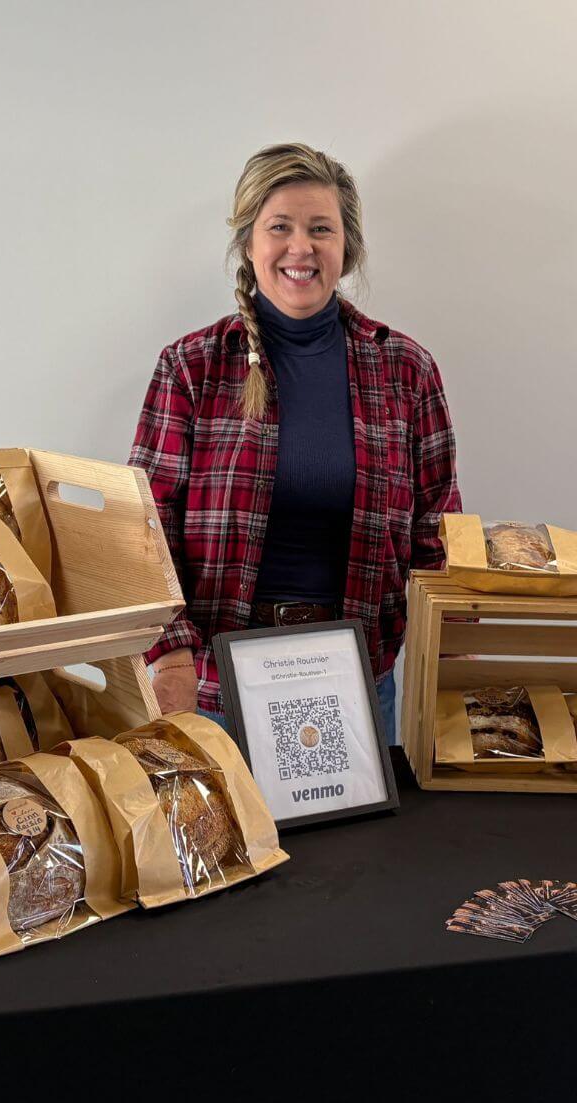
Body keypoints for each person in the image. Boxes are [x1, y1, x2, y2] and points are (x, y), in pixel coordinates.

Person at [129, 142, 462, 745]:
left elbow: (437, 530)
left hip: (358, 683)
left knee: (363, 846)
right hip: (212, 687)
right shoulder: (192, 367)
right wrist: (170, 654)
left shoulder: (406, 369)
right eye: (279, 227)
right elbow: (143, 527)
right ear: (249, 244)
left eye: (320, 229)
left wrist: (450, 648)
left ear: (347, 248)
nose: (300, 247)